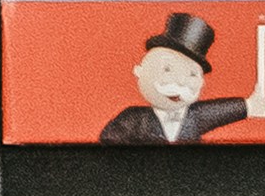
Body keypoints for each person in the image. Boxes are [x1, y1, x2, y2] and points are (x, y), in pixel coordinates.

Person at [98, 12, 249, 145]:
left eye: (192, 74)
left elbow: (224, 110)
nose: (180, 82)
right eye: (167, 69)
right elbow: (108, 139)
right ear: (139, 71)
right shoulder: (133, 118)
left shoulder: (195, 116)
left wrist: (249, 105)